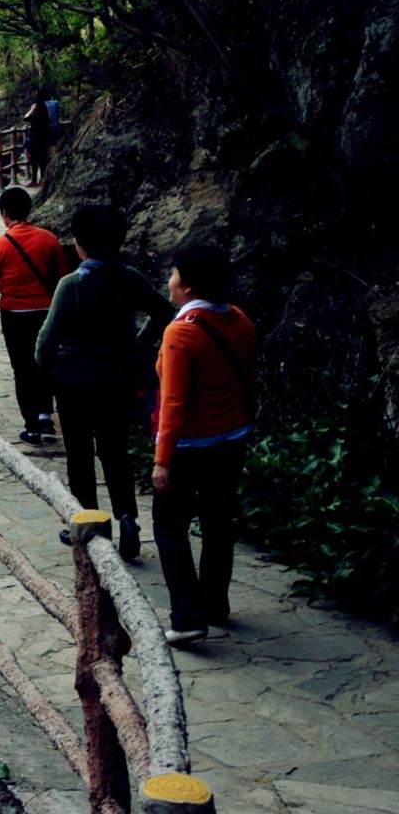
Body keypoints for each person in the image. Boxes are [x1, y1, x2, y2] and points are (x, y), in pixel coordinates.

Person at [34, 205, 174, 561]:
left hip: (74, 381)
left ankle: (87, 521)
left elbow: (46, 340)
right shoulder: (131, 279)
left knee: (79, 454)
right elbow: (163, 312)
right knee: (114, 451)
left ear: (79, 244)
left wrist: (46, 365)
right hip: (117, 379)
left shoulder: (72, 285)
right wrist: (139, 344)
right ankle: (127, 518)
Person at [152, 243, 258, 646]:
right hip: (231, 440)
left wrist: (162, 461)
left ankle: (187, 616)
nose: (170, 280)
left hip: (189, 448)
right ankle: (215, 603)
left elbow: (173, 403)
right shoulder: (240, 320)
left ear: (189, 285)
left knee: (169, 528)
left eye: (174, 273)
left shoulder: (181, 332)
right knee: (218, 523)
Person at [0, 186, 69, 445]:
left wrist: (4, 283)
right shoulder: (48, 239)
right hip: (46, 312)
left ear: (4, 213)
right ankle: (45, 415)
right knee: (44, 363)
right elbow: (63, 276)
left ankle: (31, 425)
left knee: (21, 367)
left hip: (14, 313)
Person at [24, 98, 54, 186]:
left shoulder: (35, 117)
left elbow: (25, 118)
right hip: (43, 140)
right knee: (42, 160)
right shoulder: (46, 117)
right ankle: (42, 179)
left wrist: (31, 109)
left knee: (34, 161)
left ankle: (34, 181)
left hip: (34, 140)